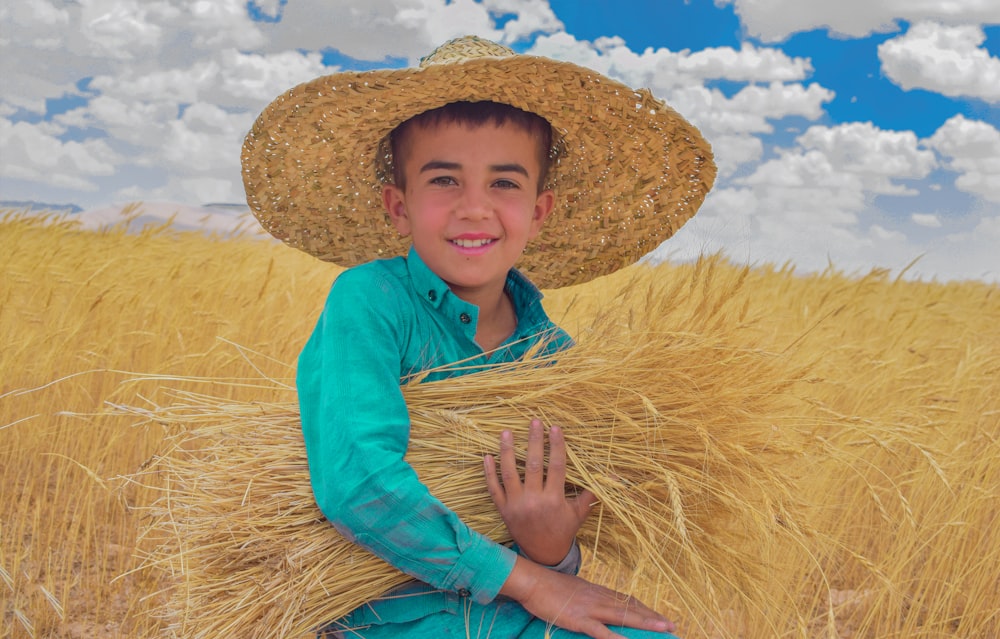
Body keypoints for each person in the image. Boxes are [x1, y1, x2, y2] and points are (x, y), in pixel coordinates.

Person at [241, 35, 715, 639]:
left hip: (518, 610)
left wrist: (552, 553)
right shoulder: (372, 302)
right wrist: (534, 579)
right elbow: (357, 483)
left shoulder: (554, 357)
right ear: (399, 206)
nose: (474, 208)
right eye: (443, 181)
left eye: (504, 183)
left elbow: (560, 532)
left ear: (539, 211)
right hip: (388, 614)